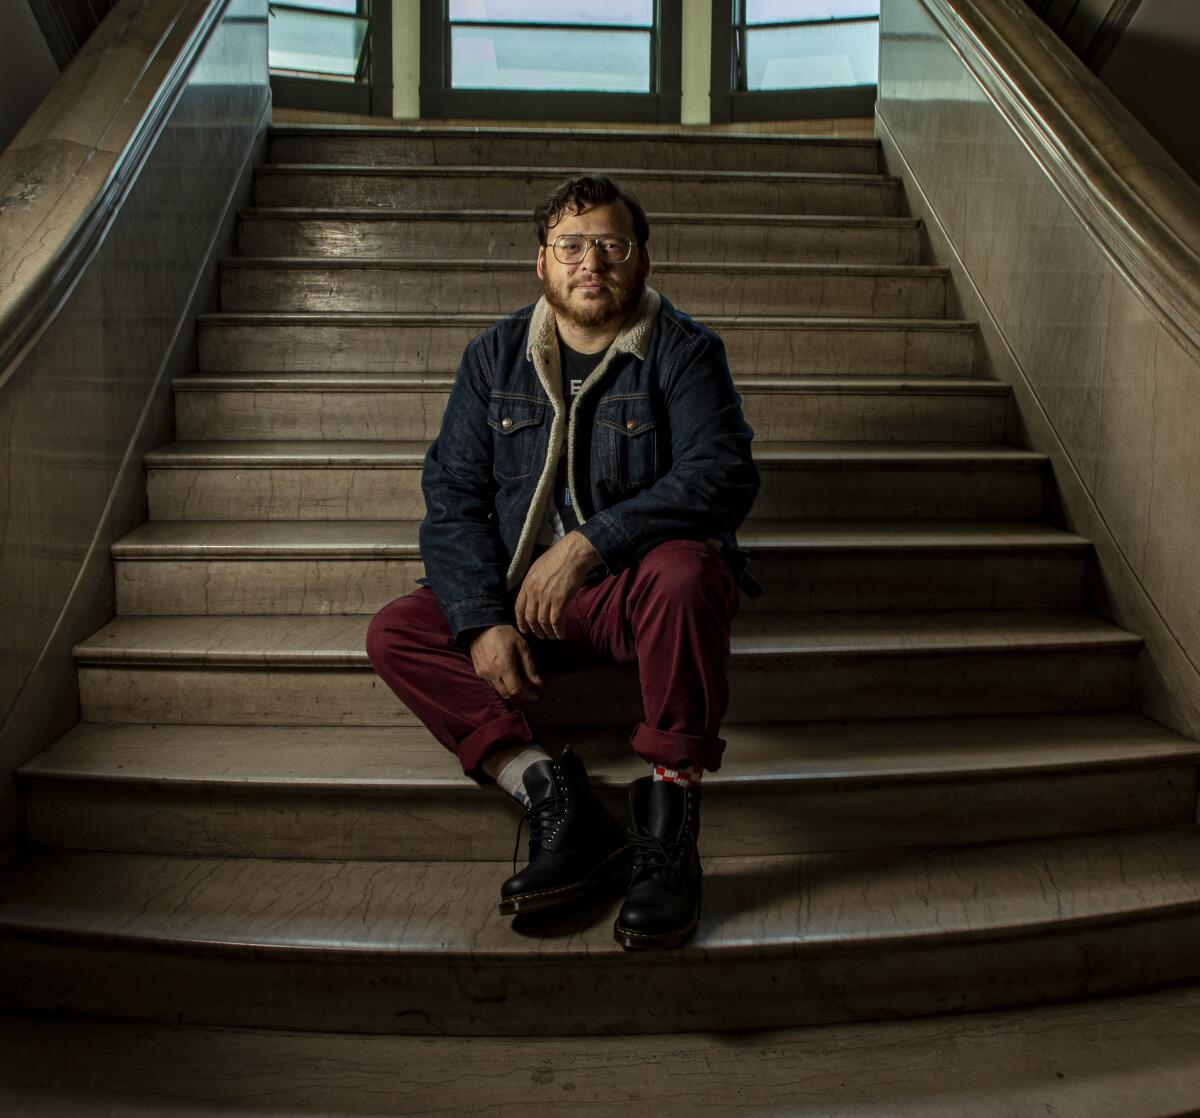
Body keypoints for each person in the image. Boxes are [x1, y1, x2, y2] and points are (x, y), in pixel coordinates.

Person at [366, 173, 760, 949]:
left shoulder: (684, 351)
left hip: (628, 593)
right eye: (570, 246)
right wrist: (480, 621)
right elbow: (451, 499)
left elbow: (722, 475)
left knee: (689, 573)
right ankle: (552, 794)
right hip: (521, 596)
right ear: (540, 262)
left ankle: (671, 829)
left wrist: (588, 545)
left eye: (611, 245)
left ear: (641, 260)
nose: (592, 263)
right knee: (395, 633)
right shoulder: (494, 357)